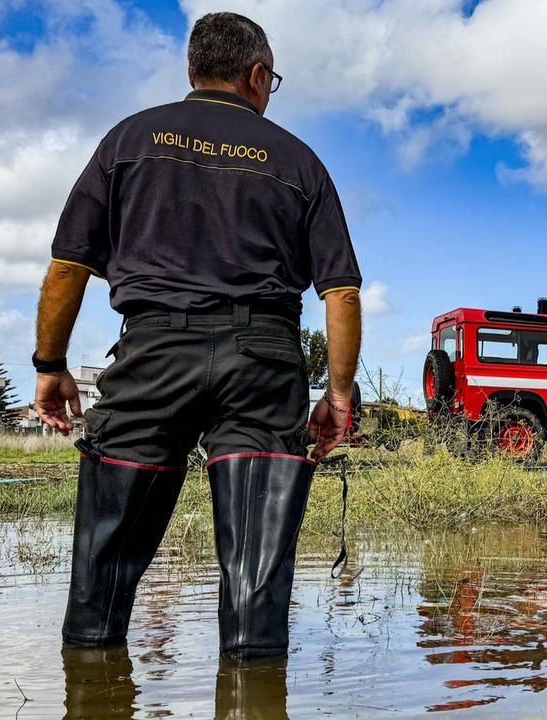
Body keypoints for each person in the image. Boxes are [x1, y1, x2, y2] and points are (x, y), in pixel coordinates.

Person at [32, 11, 362, 659]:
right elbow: (341, 292)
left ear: (193, 71)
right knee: (256, 602)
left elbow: (69, 265)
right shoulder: (297, 160)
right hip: (263, 365)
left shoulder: (129, 140)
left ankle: (92, 689)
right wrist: (340, 395)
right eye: (272, 81)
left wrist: (51, 363)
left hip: (153, 355)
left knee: (101, 586)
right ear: (257, 74)